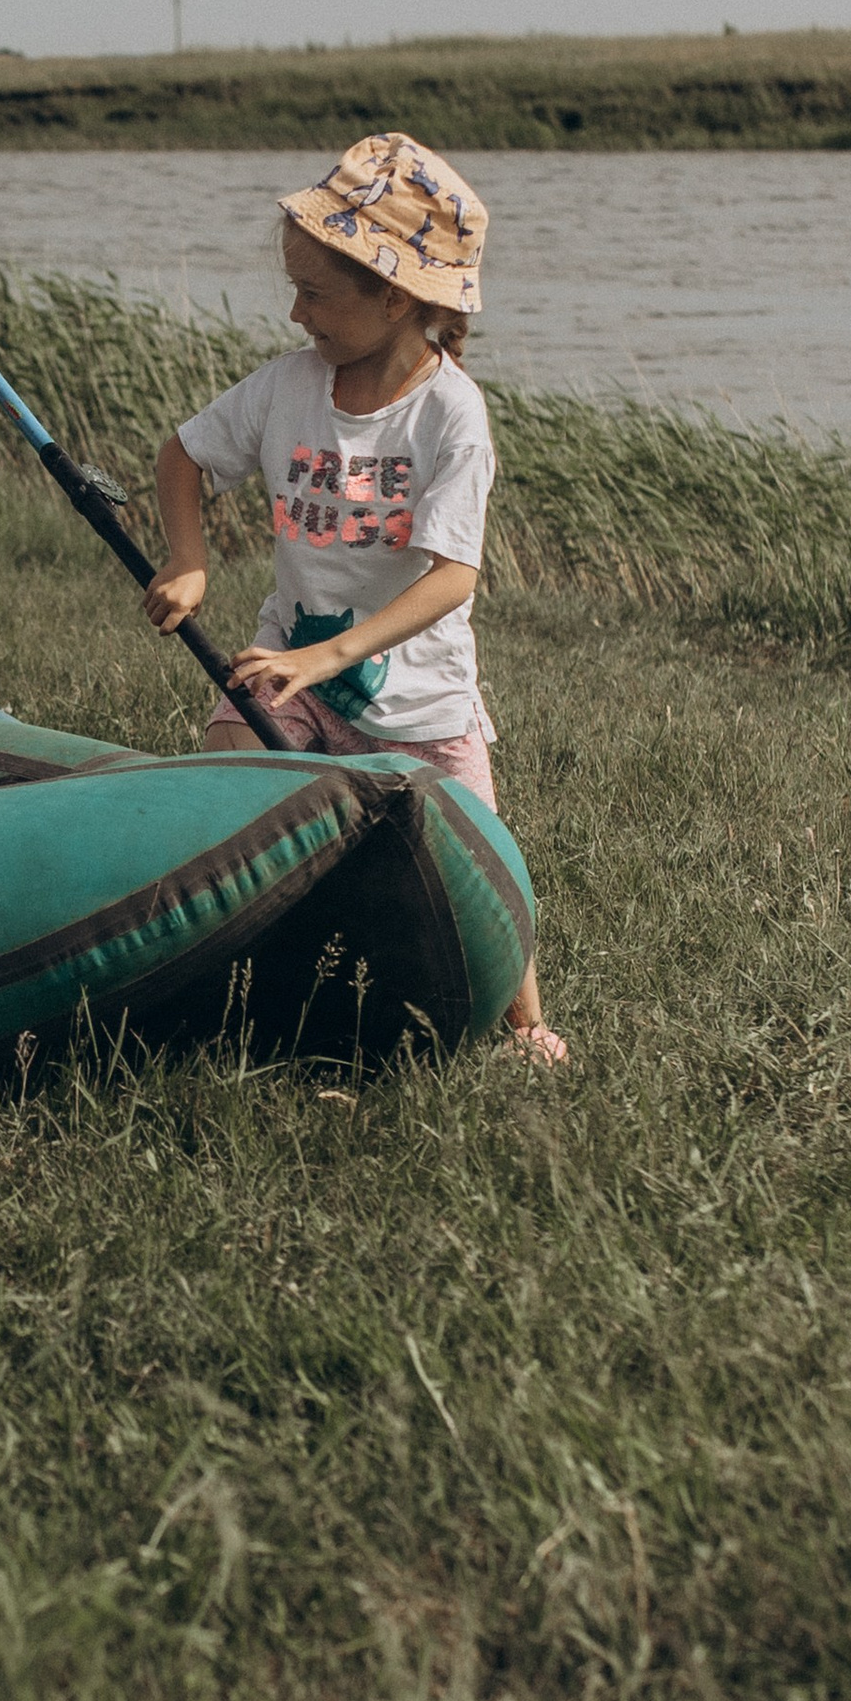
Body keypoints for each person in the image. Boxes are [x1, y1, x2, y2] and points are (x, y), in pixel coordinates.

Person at [143, 130, 567, 1066]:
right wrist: (188, 560)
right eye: (293, 286)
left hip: (414, 698)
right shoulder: (286, 388)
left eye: (317, 292)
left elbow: (454, 576)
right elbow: (183, 456)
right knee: (217, 788)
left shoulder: (450, 413)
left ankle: (529, 1028)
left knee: (481, 869)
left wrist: (329, 657)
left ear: (397, 295)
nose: (296, 312)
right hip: (289, 672)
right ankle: (216, 975)